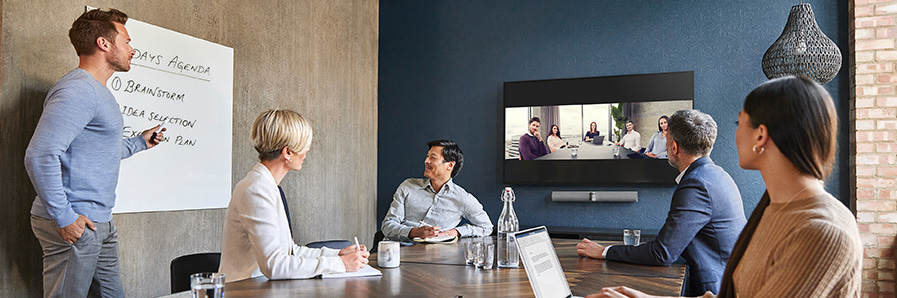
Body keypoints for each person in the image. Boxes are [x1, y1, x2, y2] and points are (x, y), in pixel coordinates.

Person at [588, 77, 861, 298]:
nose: (732, 133)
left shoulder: (822, 231)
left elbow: (664, 253)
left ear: (761, 135)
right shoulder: (774, 208)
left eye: (738, 122)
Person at [23, 9, 166, 297]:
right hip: (75, 219)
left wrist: (140, 142)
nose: (132, 50)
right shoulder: (78, 90)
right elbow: (40, 155)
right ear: (104, 44)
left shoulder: (96, 92)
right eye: (126, 42)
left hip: (99, 219)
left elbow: (98, 151)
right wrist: (65, 218)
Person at [577, 110, 746, 296]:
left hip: (712, 290)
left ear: (674, 147)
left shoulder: (696, 184)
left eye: (666, 142)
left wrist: (603, 251)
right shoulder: (717, 175)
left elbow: (662, 253)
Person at [219, 109, 369, 282]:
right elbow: (274, 265)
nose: (308, 150)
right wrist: (339, 264)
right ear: (287, 152)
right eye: (304, 145)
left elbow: (291, 251)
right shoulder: (256, 189)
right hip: (245, 290)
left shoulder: (267, 186)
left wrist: (338, 254)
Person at [381, 140, 493, 241]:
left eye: (432, 158)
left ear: (450, 165)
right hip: (398, 251)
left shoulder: (463, 198)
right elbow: (387, 226)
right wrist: (414, 232)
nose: (426, 161)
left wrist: (455, 232)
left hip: (436, 256)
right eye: (427, 156)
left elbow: (486, 227)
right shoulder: (407, 186)